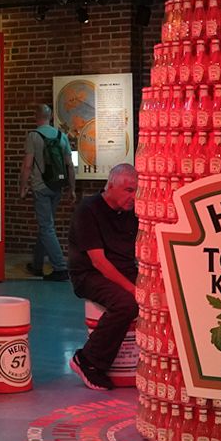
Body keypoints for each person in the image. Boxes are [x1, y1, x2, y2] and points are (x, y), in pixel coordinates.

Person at [69, 163, 138, 390]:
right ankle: (88, 360)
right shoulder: (88, 210)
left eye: (136, 191)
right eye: (129, 190)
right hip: (89, 274)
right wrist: (132, 288)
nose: (133, 196)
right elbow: (98, 261)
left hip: (123, 269)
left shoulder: (131, 213)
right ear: (111, 186)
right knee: (126, 304)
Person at [23, 104, 76, 279]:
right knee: (46, 225)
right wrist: (72, 188)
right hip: (57, 186)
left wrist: (23, 185)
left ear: (35, 116)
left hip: (41, 187)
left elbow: (28, 165)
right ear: (51, 116)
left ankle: (60, 268)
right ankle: (37, 264)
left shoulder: (33, 136)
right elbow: (70, 165)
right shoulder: (62, 136)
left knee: (46, 227)